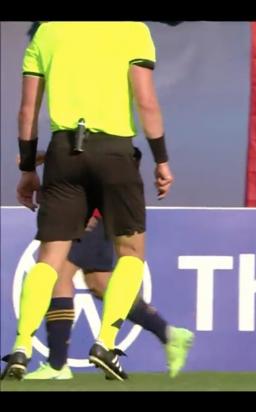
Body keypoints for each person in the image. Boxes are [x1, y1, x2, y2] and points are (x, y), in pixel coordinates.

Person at [2, 22, 173, 381]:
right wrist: (161, 159)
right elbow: (146, 102)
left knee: (49, 257)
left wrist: (26, 168)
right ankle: (105, 343)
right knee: (131, 253)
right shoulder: (133, 30)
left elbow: (26, 112)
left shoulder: (46, 31)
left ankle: (21, 345)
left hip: (64, 152)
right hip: (114, 152)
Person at [18, 150, 193, 380]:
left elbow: (91, 151)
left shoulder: (96, 129)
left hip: (89, 209)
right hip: (91, 207)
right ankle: (169, 334)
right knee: (100, 283)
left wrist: (37, 158)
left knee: (59, 274)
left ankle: (57, 365)